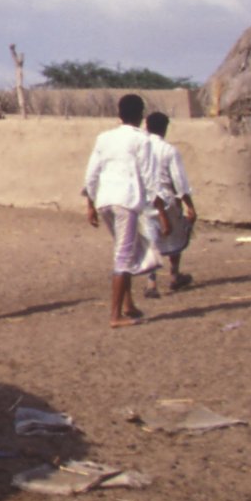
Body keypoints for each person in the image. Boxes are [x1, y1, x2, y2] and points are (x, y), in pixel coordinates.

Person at [82, 93, 160, 328]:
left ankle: (128, 305)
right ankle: (115, 315)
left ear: (119, 114)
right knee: (124, 256)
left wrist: (90, 204)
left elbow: (91, 173)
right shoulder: (142, 140)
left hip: (105, 200)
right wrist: (157, 206)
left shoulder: (104, 138)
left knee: (123, 250)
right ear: (141, 116)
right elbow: (148, 175)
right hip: (126, 200)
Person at [143, 111, 197, 295]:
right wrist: (189, 204)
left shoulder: (139, 149)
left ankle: (151, 282)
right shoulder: (169, 150)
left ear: (147, 126)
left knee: (151, 239)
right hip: (166, 199)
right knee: (175, 235)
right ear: (165, 128)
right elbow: (179, 181)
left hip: (144, 200)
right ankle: (174, 275)